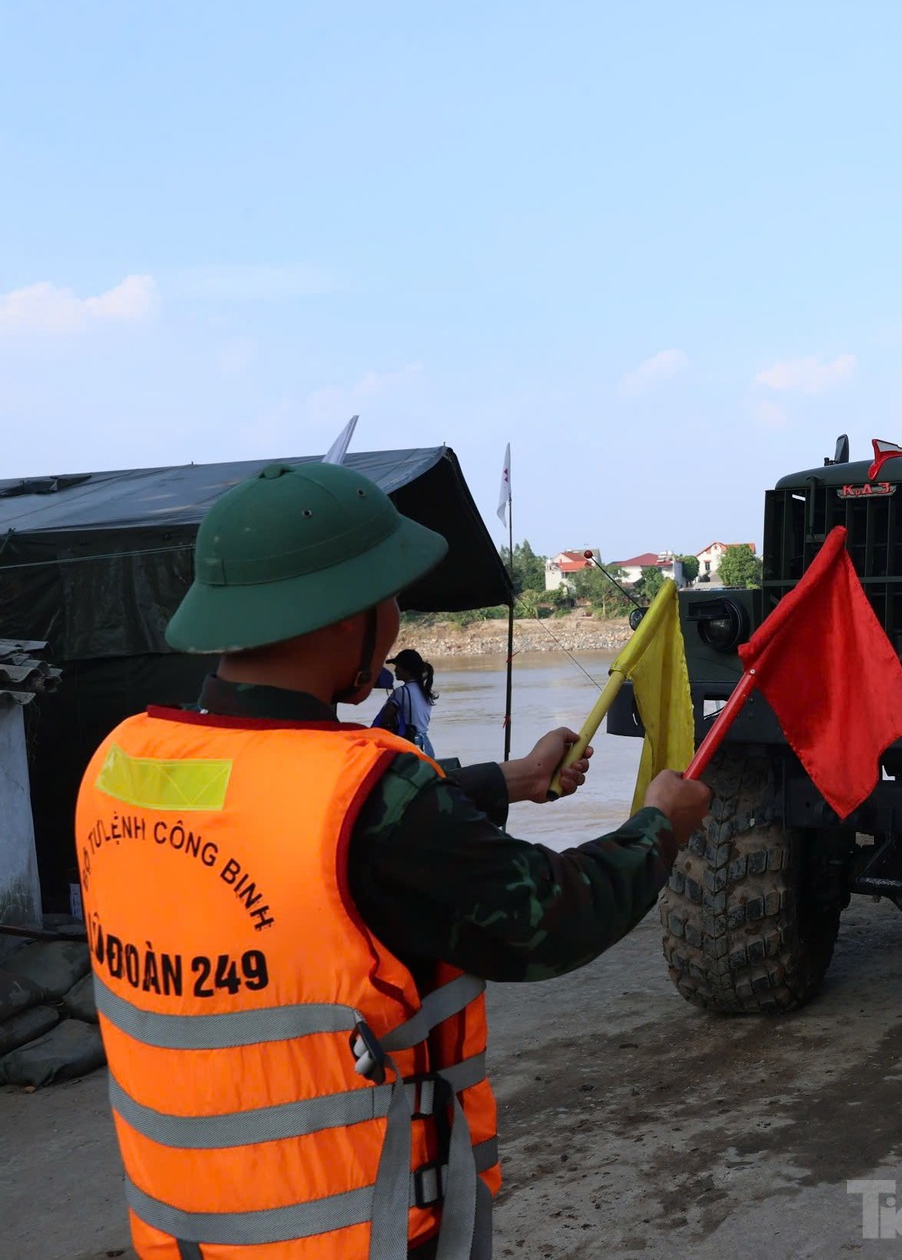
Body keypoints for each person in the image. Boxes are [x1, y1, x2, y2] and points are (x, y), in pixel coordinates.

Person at [73, 461, 712, 1260]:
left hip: (183, 1225)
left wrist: (508, 779)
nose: (398, 613)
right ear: (347, 616)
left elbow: (291, 820)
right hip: (345, 1231)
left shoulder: (123, 763)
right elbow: (549, 916)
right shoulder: (374, 796)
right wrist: (659, 825)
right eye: (390, 594)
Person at [374, 647, 438, 754]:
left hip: (410, 744)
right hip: (426, 745)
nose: (395, 670)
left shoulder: (401, 692)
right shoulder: (425, 691)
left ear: (406, 668)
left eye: (397, 666)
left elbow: (384, 720)